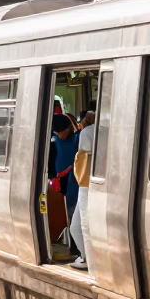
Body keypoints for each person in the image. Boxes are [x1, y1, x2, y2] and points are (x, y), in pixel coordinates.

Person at [69, 112, 96, 271]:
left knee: (81, 226)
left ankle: (88, 259)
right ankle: (86, 257)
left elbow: (83, 159)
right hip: (98, 184)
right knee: (78, 226)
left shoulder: (87, 132)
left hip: (86, 185)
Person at [50, 114, 80, 241]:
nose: (61, 134)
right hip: (61, 187)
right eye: (59, 132)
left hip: (75, 183)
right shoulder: (53, 144)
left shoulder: (76, 139)